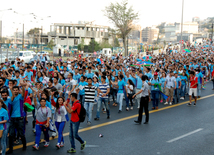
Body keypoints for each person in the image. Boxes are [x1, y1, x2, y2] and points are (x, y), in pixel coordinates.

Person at [7, 84, 27, 154]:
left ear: (18, 91)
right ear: (12, 91)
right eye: (14, 90)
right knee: (11, 134)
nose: (15, 91)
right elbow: (9, 109)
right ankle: (10, 149)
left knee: (21, 133)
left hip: (20, 118)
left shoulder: (20, 97)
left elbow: (24, 93)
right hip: (12, 118)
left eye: (16, 90)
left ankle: (24, 145)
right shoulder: (10, 99)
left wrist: (23, 86)